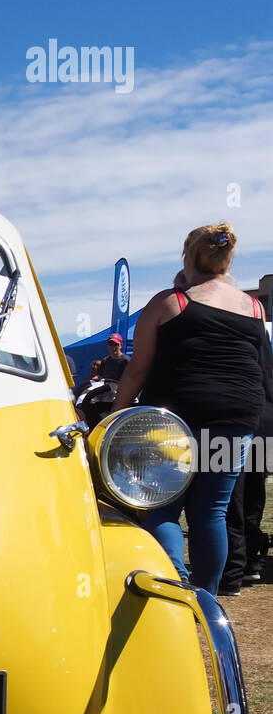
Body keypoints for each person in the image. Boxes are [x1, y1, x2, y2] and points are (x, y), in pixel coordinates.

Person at [111, 223, 273, 598]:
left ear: (188, 257)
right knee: (211, 512)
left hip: (176, 419)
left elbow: (138, 369)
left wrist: (115, 416)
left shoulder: (170, 303)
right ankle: (207, 598)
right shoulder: (253, 306)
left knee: (163, 509)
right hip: (236, 419)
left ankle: (176, 585)